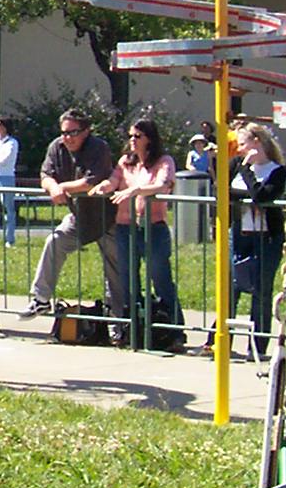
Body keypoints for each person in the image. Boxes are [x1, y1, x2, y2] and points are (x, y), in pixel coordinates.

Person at [23, 109, 121, 327]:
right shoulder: (57, 146)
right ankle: (40, 299)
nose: (67, 138)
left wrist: (62, 188)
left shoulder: (98, 148)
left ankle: (119, 321)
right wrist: (53, 187)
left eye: (73, 132)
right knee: (54, 242)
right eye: (64, 132)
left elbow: (91, 182)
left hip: (108, 217)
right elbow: (45, 176)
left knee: (116, 272)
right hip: (79, 216)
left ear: (86, 131)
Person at [100, 118, 183, 351]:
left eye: (138, 136)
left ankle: (174, 331)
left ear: (149, 138)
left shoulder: (164, 161)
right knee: (129, 280)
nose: (132, 141)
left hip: (153, 227)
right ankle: (134, 331)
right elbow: (114, 180)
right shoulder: (126, 162)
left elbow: (163, 185)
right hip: (126, 227)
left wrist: (136, 191)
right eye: (130, 136)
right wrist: (105, 186)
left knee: (160, 278)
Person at [228, 120, 286, 361]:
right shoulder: (236, 165)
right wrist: (247, 191)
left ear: (257, 142)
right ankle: (221, 341)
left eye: (242, 144)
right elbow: (222, 191)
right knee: (232, 287)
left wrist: (247, 172)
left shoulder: (277, 170)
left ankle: (257, 347)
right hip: (240, 234)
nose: (239, 150)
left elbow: (262, 195)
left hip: (266, 238)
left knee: (261, 290)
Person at [0, 116, 21, 246]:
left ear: (5, 127)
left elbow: (4, 160)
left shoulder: (12, 142)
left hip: (6, 177)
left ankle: (9, 239)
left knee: (8, 209)